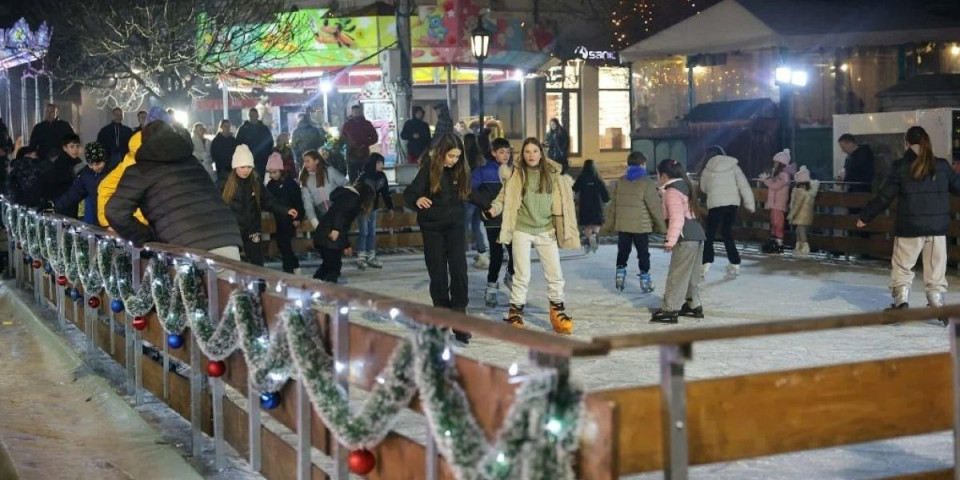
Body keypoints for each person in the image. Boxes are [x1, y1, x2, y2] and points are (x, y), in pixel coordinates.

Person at [857, 126, 960, 315]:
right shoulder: (942, 166)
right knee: (935, 269)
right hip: (937, 229)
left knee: (903, 265)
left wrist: (866, 216)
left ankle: (901, 300)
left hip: (910, 227)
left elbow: (884, 196)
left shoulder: (900, 167)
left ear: (906, 143)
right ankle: (937, 300)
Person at [106, 121, 242, 260]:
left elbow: (115, 211)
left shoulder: (140, 171)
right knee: (228, 281)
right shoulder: (192, 162)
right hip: (227, 238)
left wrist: (147, 237)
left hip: (186, 246)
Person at [487, 137, 579, 335]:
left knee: (555, 274)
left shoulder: (553, 174)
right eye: (527, 152)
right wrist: (494, 209)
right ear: (523, 154)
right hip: (522, 229)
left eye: (535, 151)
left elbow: (563, 202)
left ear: (541, 153)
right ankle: (515, 312)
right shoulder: (516, 174)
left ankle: (558, 312)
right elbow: (504, 197)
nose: (531, 155)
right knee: (522, 275)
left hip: (546, 230)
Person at [403, 133, 472, 343]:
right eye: (451, 156)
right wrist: (418, 199)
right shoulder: (428, 170)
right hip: (432, 229)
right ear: (442, 153)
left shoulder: (459, 171)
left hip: (455, 229)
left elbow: (470, 193)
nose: (454, 160)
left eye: (458, 156)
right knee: (438, 274)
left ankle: (459, 318)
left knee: (459, 271)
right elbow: (409, 194)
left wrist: (489, 206)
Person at [220, 144, 298, 266]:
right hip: (233, 230)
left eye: (249, 167)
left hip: (253, 228)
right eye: (242, 167)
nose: (246, 170)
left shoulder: (255, 182)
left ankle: (260, 284)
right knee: (233, 262)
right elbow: (215, 204)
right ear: (235, 166)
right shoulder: (224, 183)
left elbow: (268, 200)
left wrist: (285, 210)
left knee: (257, 260)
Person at [651, 159, 707, 324]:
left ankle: (670, 309)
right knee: (691, 275)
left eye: (658, 174)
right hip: (697, 236)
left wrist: (670, 240)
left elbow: (677, 218)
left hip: (685, 238)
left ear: (664, 175)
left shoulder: (672, 192)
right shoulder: (685, 187)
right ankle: (692, 304)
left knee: (677, 273)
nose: (657, 178)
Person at [603, 151, 666, 293]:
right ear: (643, 164)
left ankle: (620, 276)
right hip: (641, 226)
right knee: (643, 253)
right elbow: (654, 207)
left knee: (623, 251)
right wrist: (662, 227)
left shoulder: (620, 182)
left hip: (623, 225)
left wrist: (608, 225)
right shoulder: (647, 183)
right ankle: (645, 280)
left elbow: (613, 206)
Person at [698, 145, 755, 278]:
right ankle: (734, 262)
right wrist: (750, 204)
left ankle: (706, 262)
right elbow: (744, 186)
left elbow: (703, 187)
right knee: (727, 232)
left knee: (710, 234)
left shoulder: (707, 168)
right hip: (732, 204)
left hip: (715, 204)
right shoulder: (733, 166)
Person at [471, 137, 515, 308]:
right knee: (496, 255)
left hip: (512, 220)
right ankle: (491, 286)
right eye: (502, 152)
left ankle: (510, 275)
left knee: (516, 253)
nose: (505, 155)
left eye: (508, 152)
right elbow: (470, 190)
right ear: (493, 153)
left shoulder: (513, 172)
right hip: (494, 220)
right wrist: (485, 206)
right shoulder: (483, 172)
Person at [313, 182, 376, 283]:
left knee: (328, 265)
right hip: (329, 236)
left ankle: (314, 284)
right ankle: (329, 289)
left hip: (322, 234)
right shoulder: (353, 198)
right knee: (334, 267)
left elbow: (344, 225)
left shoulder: (346, 196)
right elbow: (340, 213)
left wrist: (346, 245)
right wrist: (336, 229)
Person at [265, 152, 305, 274]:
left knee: (284, 242)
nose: (271, 175)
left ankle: (289, 267)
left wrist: (298, 218)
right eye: (270, 172)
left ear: (281, 170)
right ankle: (293, 264)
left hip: (289, 218)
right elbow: (269, 201)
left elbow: (298, 201)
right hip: (279, 218)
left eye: (274, 172)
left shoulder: (290, 184)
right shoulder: (271, 185)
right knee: (282, 243)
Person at [55, 142, 111, 225]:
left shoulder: (114, 172)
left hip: (115, 221)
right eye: (91, 164)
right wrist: (56, 207)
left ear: (105, 160)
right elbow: (73, 193)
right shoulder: (86, 174)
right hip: (98, 220)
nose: (94, 167)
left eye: (98, 164)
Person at [355, 153, 394, 270]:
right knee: (364, 232)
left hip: (374, 208)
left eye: (382, 163)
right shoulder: (364, 176)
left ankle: (371, 256)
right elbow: (356, 191)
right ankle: (361, 256)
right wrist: (360, 207)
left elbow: (386, 193)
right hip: (363, 209)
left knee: (372, 232)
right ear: (373, 163)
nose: (381, 165)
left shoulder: (382, 176)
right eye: (378, 163)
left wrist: (390, 207)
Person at [760, 149, 795, 253]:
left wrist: (766, 180)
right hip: (774, 203)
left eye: (776, 162)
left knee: (778, 223)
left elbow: (775, 186)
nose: (774, 164)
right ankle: (774, 242)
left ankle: (778, 244)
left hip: (778, 204)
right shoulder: (779, 175)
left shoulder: (783, 175)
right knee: (774, 223)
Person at [462, 132, 488, 268]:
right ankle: (482, 252)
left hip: (468, 195)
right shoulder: (480, 158)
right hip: (480, 197)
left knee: (464, 224)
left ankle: (461, 250)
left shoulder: (463, 158)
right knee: (476, 225)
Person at [573, 159, 609, 253]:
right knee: (596, 223)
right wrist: (606, 200)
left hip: (584, 205)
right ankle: (594, 235)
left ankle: (588, 238)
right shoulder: (598, 178)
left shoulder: (581, 178)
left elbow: (574, 189)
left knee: (587, 224)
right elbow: (604, 192)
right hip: (597, 205)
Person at [42, 133, 84, 209]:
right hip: (63, 201)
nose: (75, 149)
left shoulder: (76, 163)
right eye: (72, 147)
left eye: (77, 146)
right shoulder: (62, 164)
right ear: (64, 148)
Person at [341, 105, 378, 181]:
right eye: (355, 112)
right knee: (353, 178)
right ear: (352, 113)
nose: (356, 114)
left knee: (365, 177)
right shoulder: (347, 125)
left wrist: (365, 144)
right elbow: (342, 138)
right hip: (351, 155)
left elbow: (375, 137)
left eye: (358, 112)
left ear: (361, 113)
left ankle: (365, 192)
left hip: (364, 156)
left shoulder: (367, 124)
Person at [788, 166, 820, 256]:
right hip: (806, 215)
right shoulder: (809, 191)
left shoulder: (800, 192)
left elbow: (796, 205)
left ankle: (804, 247)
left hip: (800, 215)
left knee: (800, 231)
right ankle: (799, 246)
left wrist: (791, 215)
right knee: (799, 230)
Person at [236, 107, 274, 179]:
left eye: (254, 115)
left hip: (261, 161)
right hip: (247, 161)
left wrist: (265, 156)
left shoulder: (264, 129)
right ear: (249, 116)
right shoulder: (243, 129)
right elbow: (238, 144)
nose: (252, 117)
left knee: (259, 181)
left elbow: (270, 143)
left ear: (257, 116)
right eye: (251, 115)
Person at [211, 119, 240, 183]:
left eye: (228, 126)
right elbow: (214, 155)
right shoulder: (216, 141)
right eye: (225, 126)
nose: (227, 128)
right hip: (221, 168)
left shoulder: (233, 140)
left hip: (232, 168)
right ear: (221, 127)